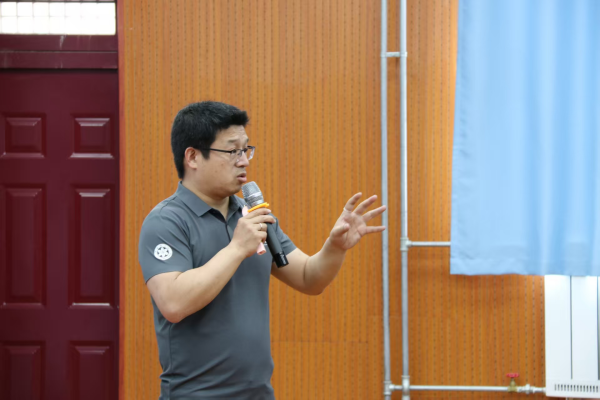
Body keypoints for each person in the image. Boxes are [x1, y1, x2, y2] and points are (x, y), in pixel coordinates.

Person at [138, 101, 387, 399]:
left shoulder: (252, 215)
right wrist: (236, 248)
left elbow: (309, 278)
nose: (244, 161)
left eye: (246, 149)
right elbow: (173, 303)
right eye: (232, 151)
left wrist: (335, 247)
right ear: (192, 157)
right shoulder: (166, 221)